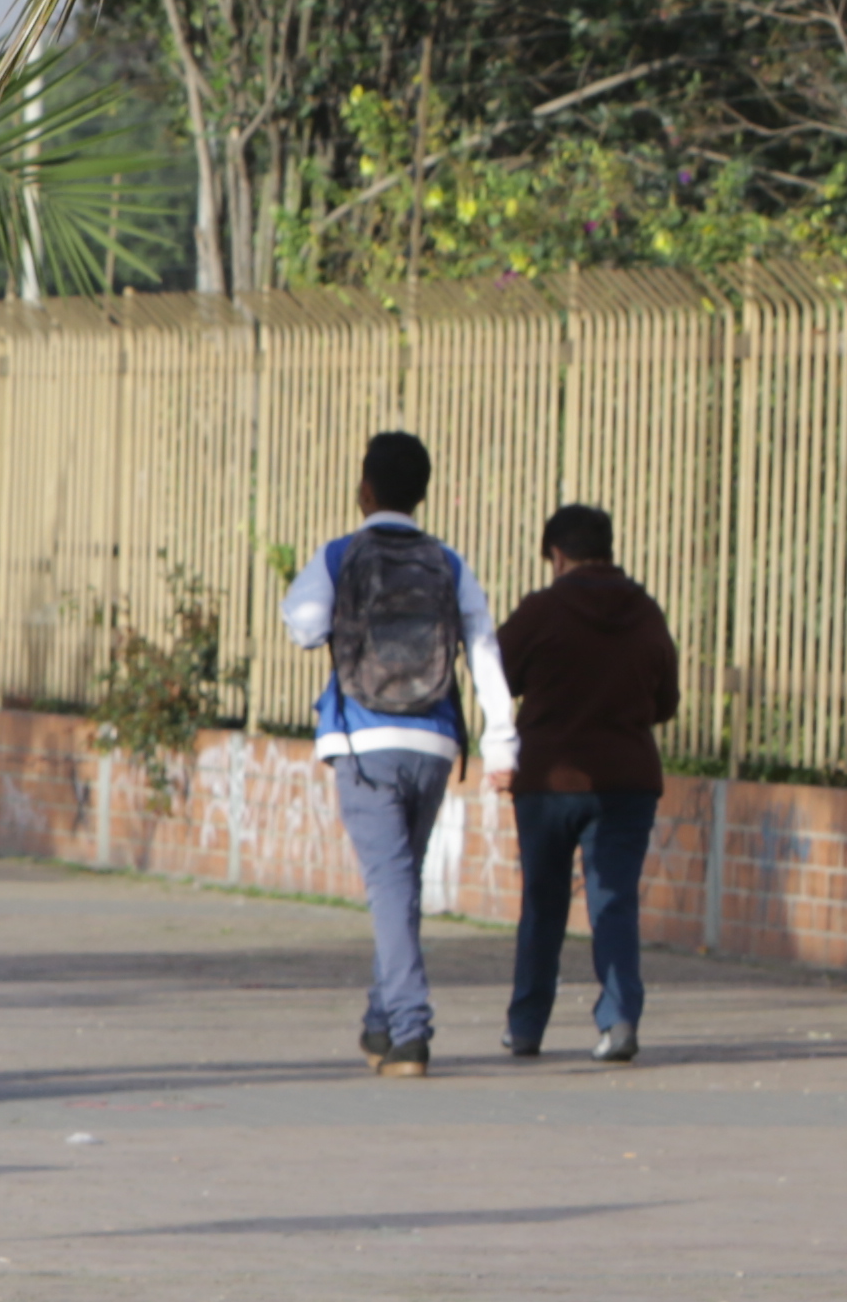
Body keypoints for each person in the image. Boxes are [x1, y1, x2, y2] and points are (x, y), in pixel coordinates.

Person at [279, 428, 520, 1079]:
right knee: (401, 882)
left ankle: (411, 1032)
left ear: (364, 490)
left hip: (363, 739)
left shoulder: (339, 554)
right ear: (422, 494)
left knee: (389, 885)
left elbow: (302, 625)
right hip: (435, 740)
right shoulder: (450, 563)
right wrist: (503, 741)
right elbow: (484, 650)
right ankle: (381, 1024)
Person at [495, 499, 679, 1065]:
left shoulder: (541, 611)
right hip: (627, 780)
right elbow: (666, 701)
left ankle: (526, 1027)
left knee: (542, 903)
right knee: (614, 902)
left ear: (556, 554)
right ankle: (620, 1020)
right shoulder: (646, 611)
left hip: (549, 782)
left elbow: (496, 677)